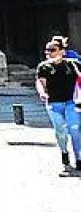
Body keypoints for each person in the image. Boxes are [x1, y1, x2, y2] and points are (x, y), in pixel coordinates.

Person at [37, 40, 81, 174]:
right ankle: (64, 153)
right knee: (60, 131)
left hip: (70, 102)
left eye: (52, 50)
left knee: (75, 128)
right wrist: (42, 93)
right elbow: (40, 82)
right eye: (47, 50)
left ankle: (79, 158)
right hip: (53, 104)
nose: (49, 53)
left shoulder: (72, 65)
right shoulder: (44, 67)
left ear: (62, 51)